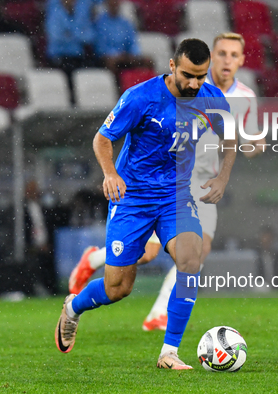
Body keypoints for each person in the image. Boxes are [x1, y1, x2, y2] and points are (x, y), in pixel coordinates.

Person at [54, 38, 236, 370]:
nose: (194, 83)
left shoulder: (211, 99)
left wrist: (222, 178)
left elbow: (229, 137)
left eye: (201, 76)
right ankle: (73, 308)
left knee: (190, 260)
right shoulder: (141, 98)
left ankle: (169, 352)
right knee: (118, 287)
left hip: (176, 196)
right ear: (172, 66)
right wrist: (110, 174)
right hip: (133, 198)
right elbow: (103, 138)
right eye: (188, 75)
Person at [45, 0, 101, 99]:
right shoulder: (55, 13)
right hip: (58, 55)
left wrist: (70, 34)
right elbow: (55, 36)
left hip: (77, 55)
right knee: (68, 74)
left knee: (91, 71)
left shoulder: (81, 13)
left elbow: (90, 36)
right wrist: (79, 34)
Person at [94, 0, 153, 75]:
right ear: (107, 5)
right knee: (112, 62)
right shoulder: (100, 23)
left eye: (116, 3)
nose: (114, 6)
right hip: (109, 58)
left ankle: (147, 84)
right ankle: (117, 84)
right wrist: (116, 54)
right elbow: (100, 47)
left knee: (148, 61)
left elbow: (132, 42)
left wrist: (134, 54)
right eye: (112, 4)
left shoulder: (125, 23)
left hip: (125, 56)